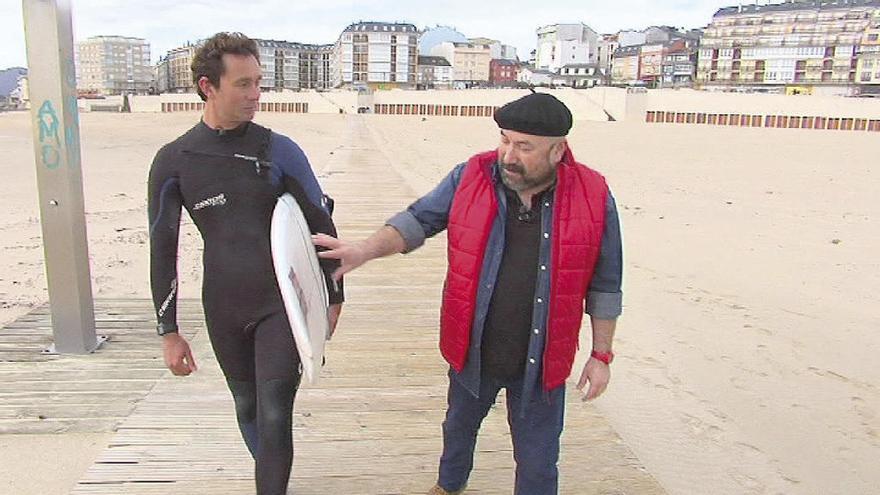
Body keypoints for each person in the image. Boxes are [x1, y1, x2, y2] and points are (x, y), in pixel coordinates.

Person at [314, 92, 622, 495]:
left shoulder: (594, 194)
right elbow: (418, 220)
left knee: (539, 459)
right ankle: (448, 486)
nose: (508, 155)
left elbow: (605, 284)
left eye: (524, 147)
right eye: (504, 140)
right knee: (458, 427)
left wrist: (601, 356)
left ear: (558, 149)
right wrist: (363, 250)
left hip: (543, 358)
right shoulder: (471, 175)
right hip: (472, 346)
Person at [148, 32, 344, 495]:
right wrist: (169, 331)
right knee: (247, 406)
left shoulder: (279, 150)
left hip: (280, 300)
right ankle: (271, 476)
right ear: (207, 86)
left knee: (275, 409)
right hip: (224, 304)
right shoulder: (174, 162)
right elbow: (163, 247)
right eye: (243, 84)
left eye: (259, 82)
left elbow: (321, 226)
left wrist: (333, 297)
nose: (256, 94)